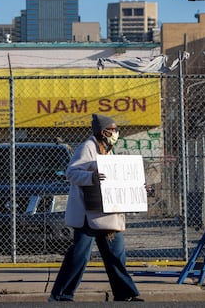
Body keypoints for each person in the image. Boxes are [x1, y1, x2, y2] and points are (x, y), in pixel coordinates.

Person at [49, 113, 142, 302]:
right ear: (103, 131)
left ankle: (124, 294)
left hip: (107, 212)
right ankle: (61, 294)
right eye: (113, 129)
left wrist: (138, 188)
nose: (116, 133)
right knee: (79, 256)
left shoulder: (108, 150)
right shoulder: (88, 147)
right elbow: (72, 173)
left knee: (115, 254)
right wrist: (91, 177)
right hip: (88, 215)